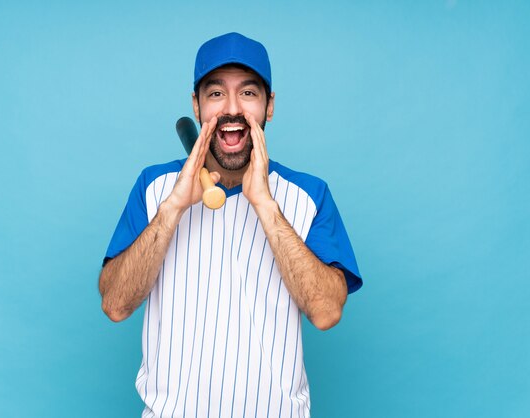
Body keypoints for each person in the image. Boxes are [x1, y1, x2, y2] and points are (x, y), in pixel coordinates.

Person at [99, 32, 363, 417]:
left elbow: (326, 313)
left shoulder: (309, 194)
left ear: (270, 106)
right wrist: (174, 207)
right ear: (197, 105)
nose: (233, 109)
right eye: (216, 93)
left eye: (250, 93)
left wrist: (265, 204)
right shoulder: (155, 187)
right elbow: (115, 304)